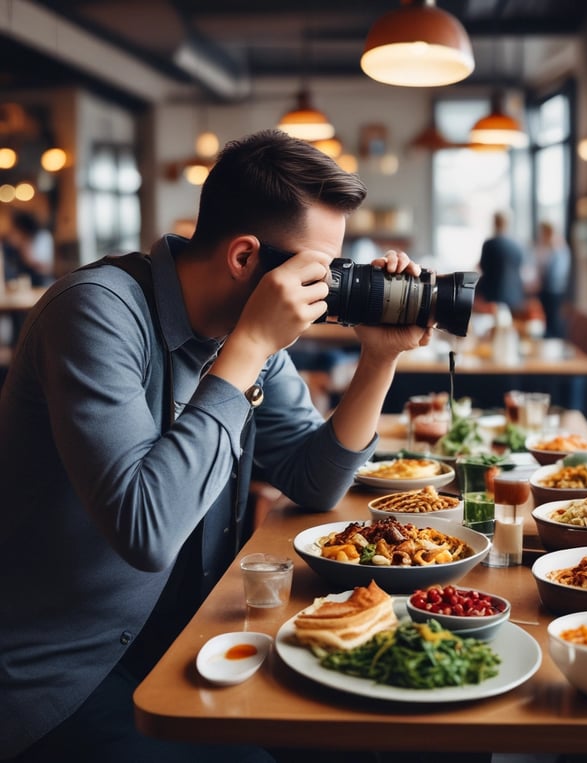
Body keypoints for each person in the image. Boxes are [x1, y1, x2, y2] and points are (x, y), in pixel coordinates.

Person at [0, 129, 432, 762]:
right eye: (319, 269)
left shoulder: (246, 333)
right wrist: (251, 347)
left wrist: (379, 359)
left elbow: (313, 481)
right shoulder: (95, 313)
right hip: (66, 672)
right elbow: (146, 531)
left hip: (191, 638)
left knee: (375, 734)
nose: (330, 288)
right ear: (245, 257)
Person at [475, 210, 527, 317]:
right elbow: (521, 267)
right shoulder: (517, 245)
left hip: (493, 294)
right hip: (515, 294)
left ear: (494, 223)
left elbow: (483, 267)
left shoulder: (489, 244)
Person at [532, 220, 572, 338]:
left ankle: (555, 340)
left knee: (553, 318)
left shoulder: (557, 247)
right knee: (547, 318)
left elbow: (554, 273)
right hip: (548, 289)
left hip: (554, 290)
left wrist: (541, 282)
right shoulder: (548, 247)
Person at [1, 208, 55, 288]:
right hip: (22, 281)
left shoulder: (42, 236)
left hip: (41, 281)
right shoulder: (16, 241)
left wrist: (28, 254)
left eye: (16, 229)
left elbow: (46, 268)